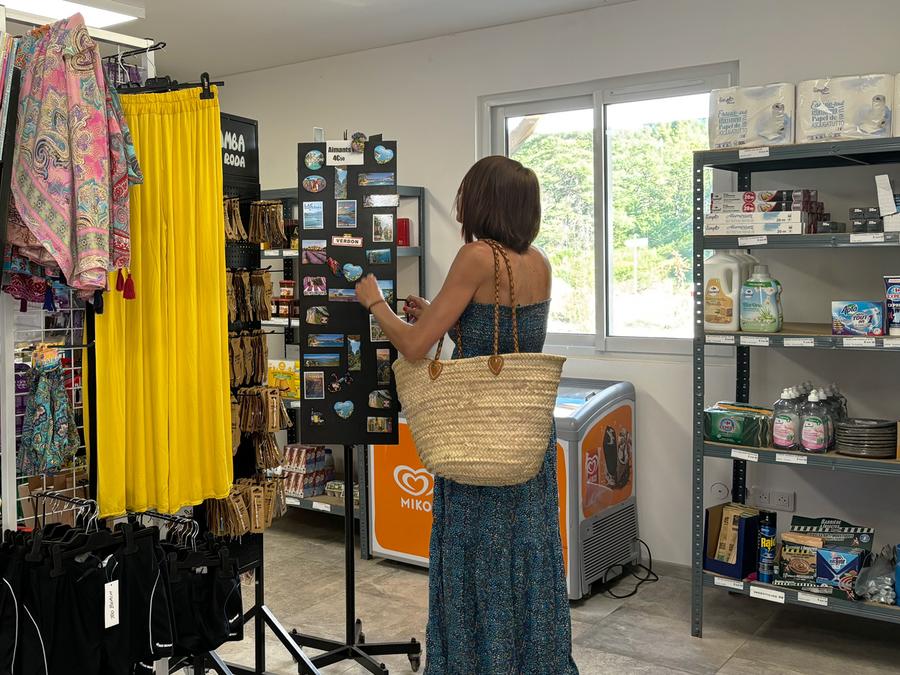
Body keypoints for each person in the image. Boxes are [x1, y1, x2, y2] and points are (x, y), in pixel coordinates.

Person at [355, 155, 578, 674]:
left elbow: (414, 347)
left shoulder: (477, 257)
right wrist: (441, 315)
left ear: (483, 202)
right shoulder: (539, 262)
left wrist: (376, 304)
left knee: (475, 557)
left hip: (476, 435)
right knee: (527, 556)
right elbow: (507, 341)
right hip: (523, 437)